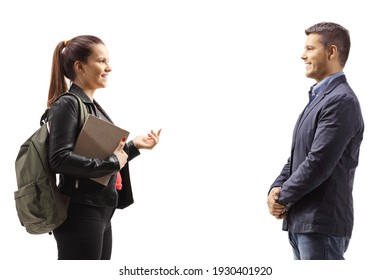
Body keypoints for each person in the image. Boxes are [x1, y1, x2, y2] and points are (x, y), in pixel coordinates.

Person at [46, 35, 161, 260]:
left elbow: (103, 156)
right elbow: (59, 159)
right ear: (80, 66)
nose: (109, 67)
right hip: (81, 211)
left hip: (100, 210)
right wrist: (112, 162)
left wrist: (134, 146)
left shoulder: (92, 107)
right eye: (101, 61)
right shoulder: (68, 104)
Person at [267, 22, 364, 260]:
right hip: (302, 223)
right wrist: (275, 189)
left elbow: (318, 163)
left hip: (320, 225)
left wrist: (283, 198)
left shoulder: (341, 101)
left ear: (331, 52)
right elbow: (297, 156)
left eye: (310, 49)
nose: (303, 55)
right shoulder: (319, 99)